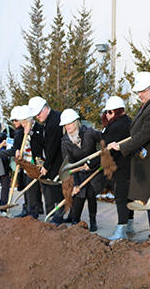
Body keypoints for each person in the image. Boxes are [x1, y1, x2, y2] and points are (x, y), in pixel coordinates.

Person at [108, 72, 150, 245]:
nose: (139, 95)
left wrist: (121, 147)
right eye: (138, 91)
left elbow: (143, 135)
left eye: (142, 91)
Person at [60, 109, 103, 232]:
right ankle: (75, 220)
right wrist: (76, 183)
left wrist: (93, 162)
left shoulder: (88, 132)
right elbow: (70, 165)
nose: (67, 126)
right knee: (79, 193)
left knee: (91, 193)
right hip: (78, 172)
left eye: (70, 123)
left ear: (76, 122)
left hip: (93, 169)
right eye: (65, 124)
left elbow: (105, 143)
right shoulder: (65, 142)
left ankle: (93, 221)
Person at [100, 96, 134, 240]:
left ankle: (121, 231)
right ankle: (130, 226)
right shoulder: (130, 122)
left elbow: (107, 150)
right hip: (131, 166)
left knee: (120, 198)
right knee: (129, 199)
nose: (106, 115)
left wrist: (94, 164)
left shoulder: (115, 127)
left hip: (120, 167)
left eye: (109, 112)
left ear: (116, 112)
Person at [28, 96, 64, 224]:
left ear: (45, 108)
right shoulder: (53, 117)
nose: (37, 117)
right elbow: (46, 142)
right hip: (56, 158)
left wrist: (46, 165)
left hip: (59, 159)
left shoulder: (53, 124)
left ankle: (59, 216)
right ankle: (58, 214)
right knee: (55, 186)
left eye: (38, 114)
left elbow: (52, 147)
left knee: (56, 187)